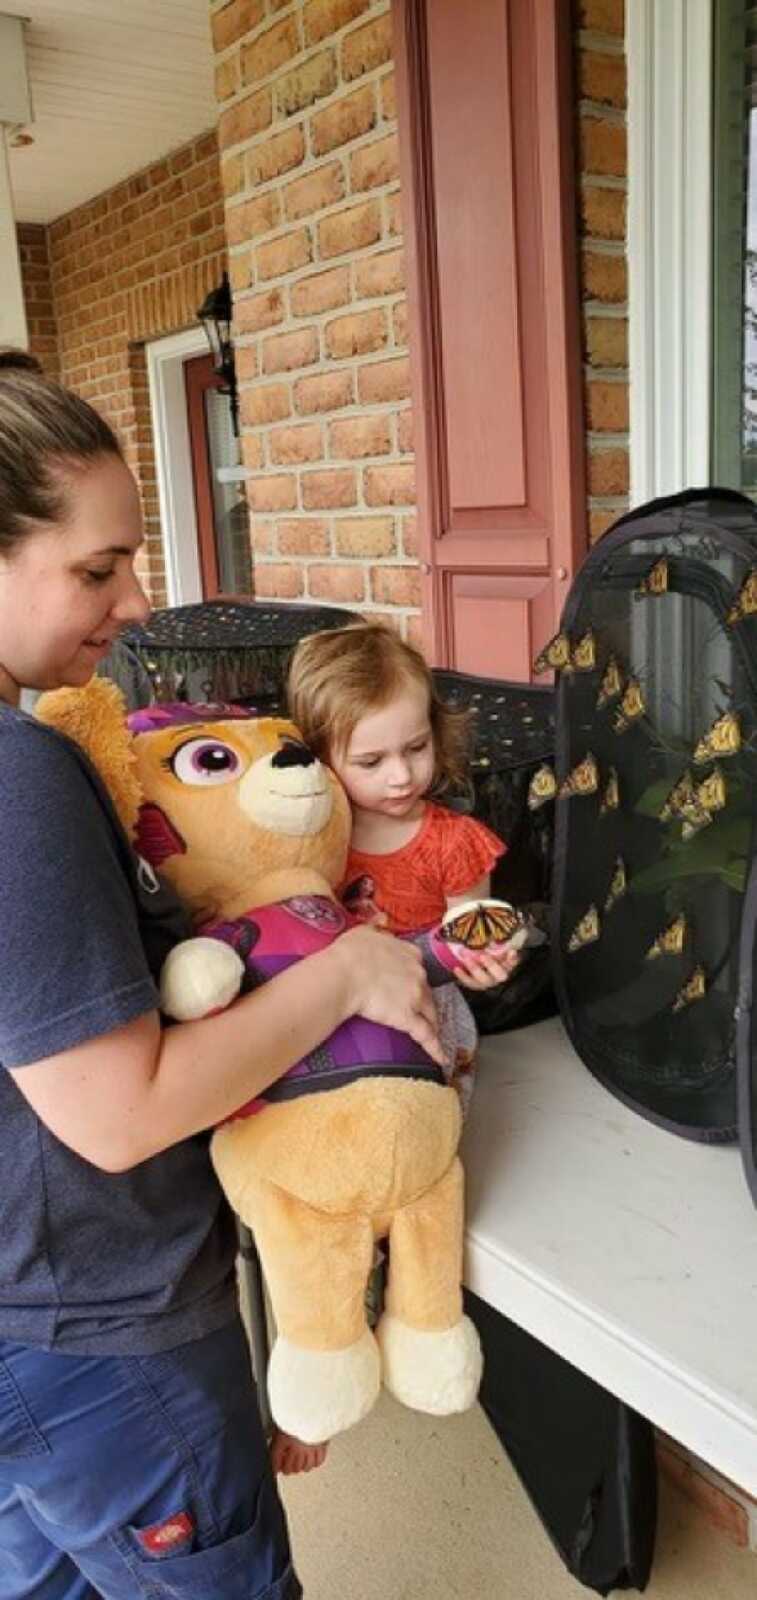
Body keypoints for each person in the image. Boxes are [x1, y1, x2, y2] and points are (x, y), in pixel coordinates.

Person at [0, 352, 443, 1600]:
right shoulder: (20, 775)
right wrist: (350, 968)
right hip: (104, 1333)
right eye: (96, 568)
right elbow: (118, 1110)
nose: (136, 600)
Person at [275, 620, 519, 1474]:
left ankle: (410, 1316)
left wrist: (481, 957)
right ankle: (323, 1355)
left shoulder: (452, 839)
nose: (400, 776)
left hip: (429, 1027)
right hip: (335, 1037)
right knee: (327, 1204)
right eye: (370, 761)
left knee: (414, 1184)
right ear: (321, 760)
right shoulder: (312, 839)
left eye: (414, 748)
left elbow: (468, 934)